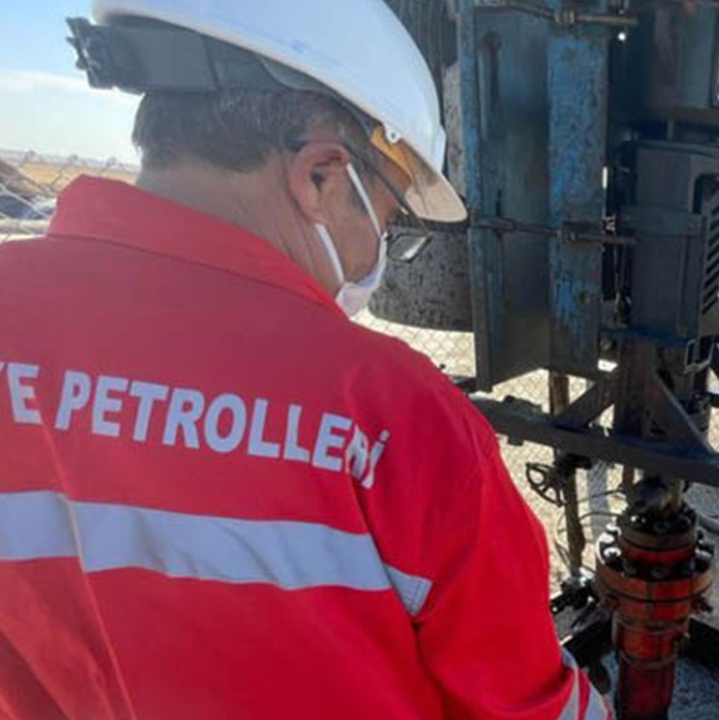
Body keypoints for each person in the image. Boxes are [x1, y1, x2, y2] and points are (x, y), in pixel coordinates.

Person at [0, 2, 609, 720]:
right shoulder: (394, 415)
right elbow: (526, 705)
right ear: (322, 176)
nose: (374, 254)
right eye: (387, 221)